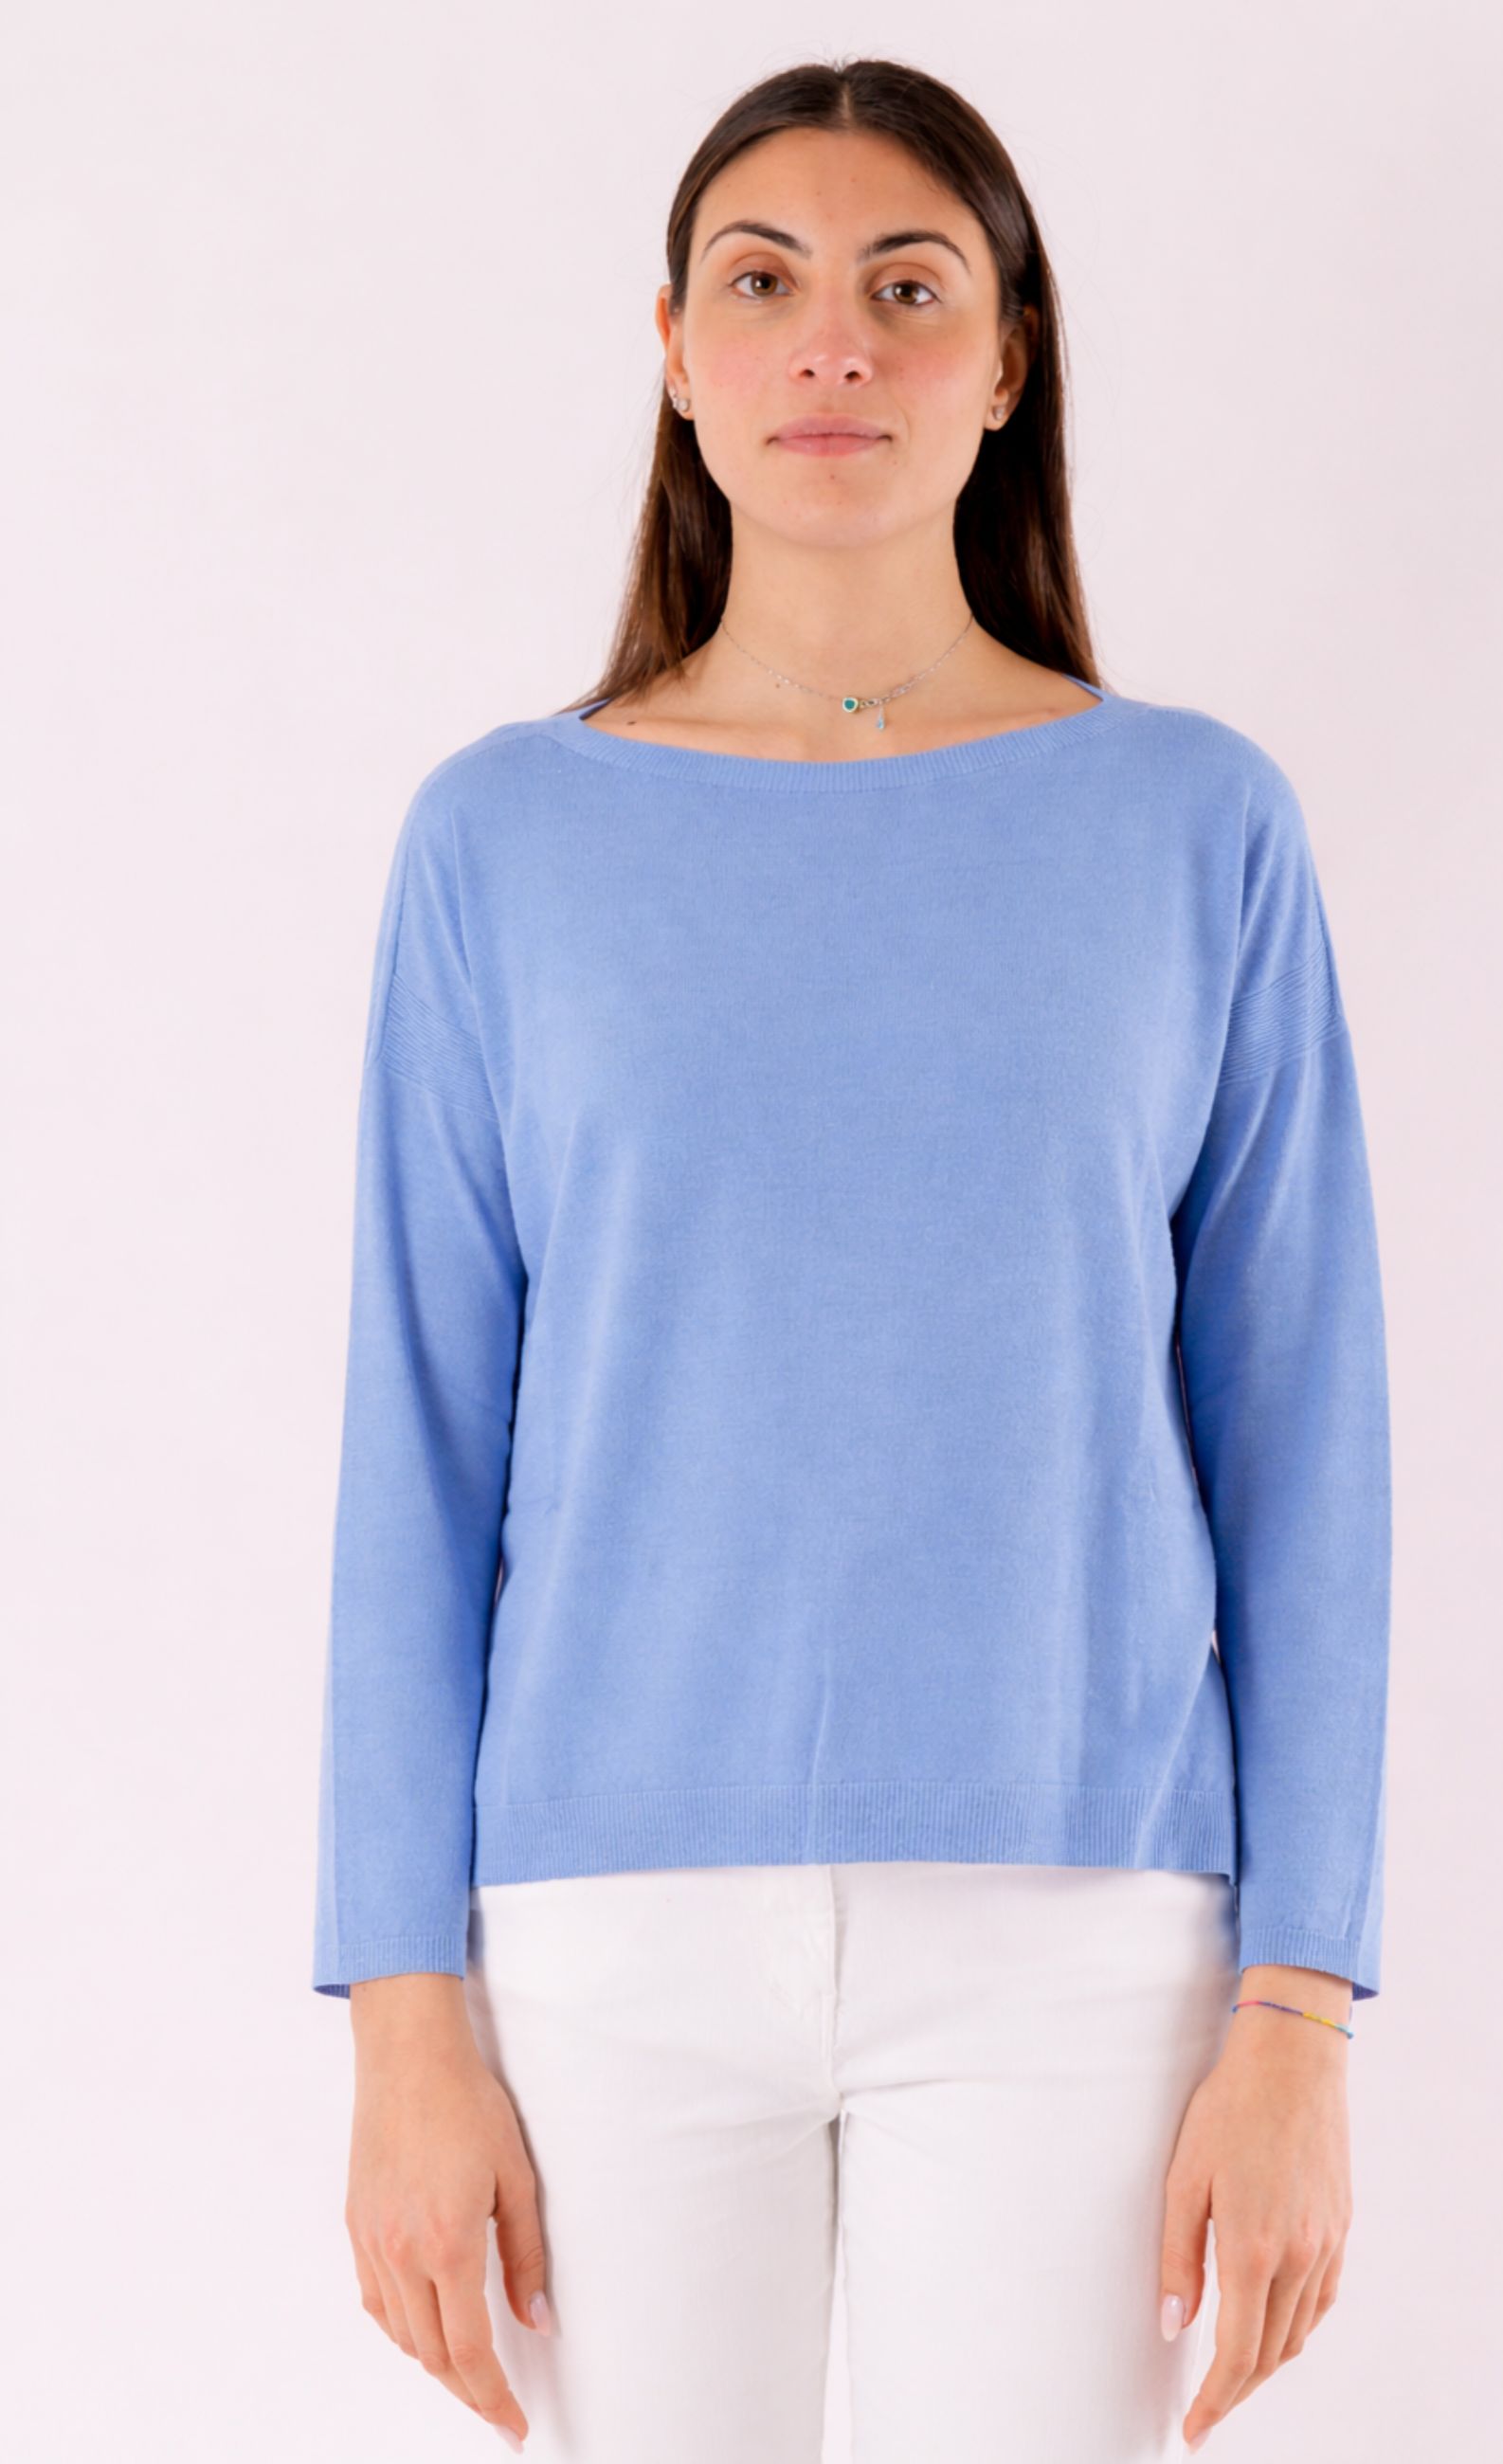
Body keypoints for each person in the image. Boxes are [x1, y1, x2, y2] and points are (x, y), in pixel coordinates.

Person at [312, 55, 1391, 2464]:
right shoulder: (503, 843)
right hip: (604, 1935)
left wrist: (1299, 2012)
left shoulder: (1195, 826)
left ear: (1006, 363)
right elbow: (420, 1443)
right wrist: (401, 2016)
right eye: (763, 282)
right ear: (675, 352)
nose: (833, 343)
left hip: (1085, 1934)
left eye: (910, 289)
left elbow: (1308, 1443)